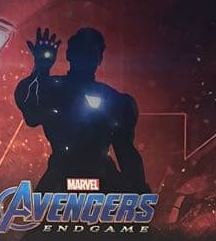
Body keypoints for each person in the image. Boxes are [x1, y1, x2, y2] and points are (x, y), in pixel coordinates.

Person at [15, 27, 150, 194]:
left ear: (99, 59)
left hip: (93, 180)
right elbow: (30, 112)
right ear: (69, 54)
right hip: (66, 179)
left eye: (90, 52)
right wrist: (41, 69)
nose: (85, 57)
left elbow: (126, 153)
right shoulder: (53, 89)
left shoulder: (116, 100)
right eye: (81, 50)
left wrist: (139, 193)